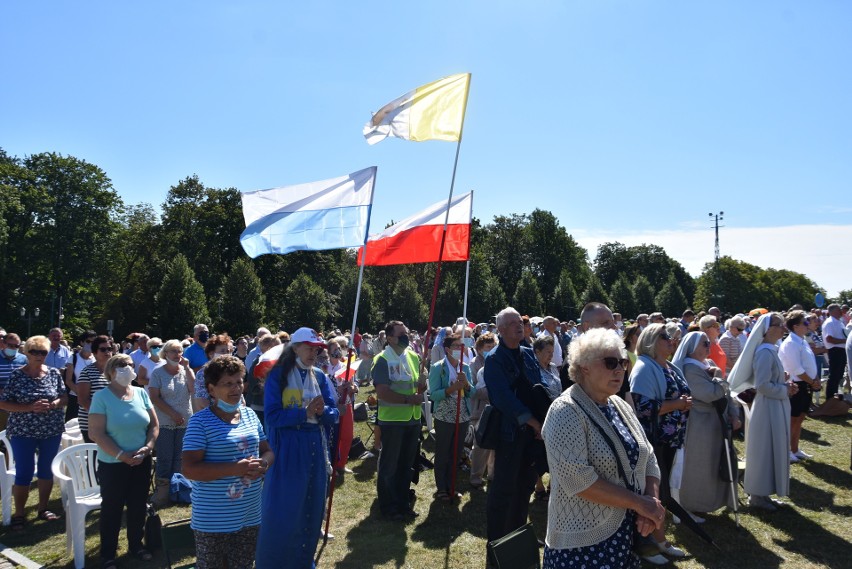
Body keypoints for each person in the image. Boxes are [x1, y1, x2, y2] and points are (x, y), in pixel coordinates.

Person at [541, 328, 665, 569]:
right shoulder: (565, 411)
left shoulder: (619, 404)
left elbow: (648, 456)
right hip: (581, 546)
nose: (619, 369)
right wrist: (639, 504)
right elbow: (577, 480)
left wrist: (650, 501)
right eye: (610, 363)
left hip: (626, 536)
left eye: (622, 362)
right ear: (584, 367)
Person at [255, 327, 338, 569]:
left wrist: (323, 413)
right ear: (295, 347)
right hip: (286, 445)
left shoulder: (320, 377)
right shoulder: (278, 375)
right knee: (284, 506)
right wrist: (304, 413)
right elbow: (272, 417)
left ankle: (303, 561)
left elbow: (333, 413)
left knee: (311, 505)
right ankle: (274, 562)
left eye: (317, 349)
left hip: (314, 443)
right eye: (309, 347)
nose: (314, 353)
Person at [183, 356, 272, 569]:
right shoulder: (200, 422)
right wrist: (236, 468)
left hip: (250, 513)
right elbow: (189, 469)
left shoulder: (250, 414)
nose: (236, 389)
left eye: (239, 382)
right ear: (212, 389)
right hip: (214, 519)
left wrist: (263, 465)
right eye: (228, 383)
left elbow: (267, 451)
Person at [628, 323, 691, 562]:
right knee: (654, 490)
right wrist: (678, 405)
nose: (672, 340)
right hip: (653, 441)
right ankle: (654, 542)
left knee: (661, 490)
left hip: (670, 440)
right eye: (666, 337)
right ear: (652, 341)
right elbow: (642, 408)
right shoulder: (644, 368)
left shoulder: (669, 366)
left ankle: (657, 540)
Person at [88, 354, 159, 567]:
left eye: (130, 365)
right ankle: (108, 554)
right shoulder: (101, 397)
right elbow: (96, 433)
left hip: (141, 461)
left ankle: (136, 545)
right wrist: (121, 455)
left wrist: (147, 448)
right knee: (112, 508)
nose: (127, 368)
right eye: (121, 365)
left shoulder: (140, 393)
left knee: (138, 506)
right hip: (113, 464)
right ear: (110, 371)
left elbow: (153, 426)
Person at [485, 307, 548, 545]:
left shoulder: (529, 353)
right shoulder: (494, 359)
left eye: (520, 321)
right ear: (500, 330)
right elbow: (503, 399)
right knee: (504, 489)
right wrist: (533, 423)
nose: (519, 325)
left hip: (533, 435)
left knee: (525, 487)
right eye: (512, 323)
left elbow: (538, 388)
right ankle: (498, 543)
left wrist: (543, 420)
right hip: (510, 434)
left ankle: (518, 538)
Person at [729, 312, 797, 511]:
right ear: (768, 329)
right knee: (764, 451)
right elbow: (763, 385)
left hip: (774, 406)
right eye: (779, 324)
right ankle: (757, 495)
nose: (783, 328)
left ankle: (764, 494)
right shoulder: (764, 352)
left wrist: (785, 384)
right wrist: (785, 389)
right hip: (768, 408)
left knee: (771, 449)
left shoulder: (770, 350)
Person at [0, 335, 67, 531]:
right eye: (34, 352)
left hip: (50, 429)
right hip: (23, 430)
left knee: (47, 470)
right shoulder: (17, 375)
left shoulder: (54, 373)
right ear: (26, 353)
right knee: (24, 471)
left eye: (43, 352)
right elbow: (3, 403)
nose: (38, 356)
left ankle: (43, 508)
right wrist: (29, 407)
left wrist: (53, 403)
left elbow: (64, 398)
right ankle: (19, 513)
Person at [671, 331, 738, 517]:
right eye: (704, 344)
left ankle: (710, 501)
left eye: (708, 343)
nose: (708, 346)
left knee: (713, 463)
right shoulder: (689, 369)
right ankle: (692, 504)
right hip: (700, 425)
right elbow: (710, 393)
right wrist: (718, 378)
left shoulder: (707, 364)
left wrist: (733, 413)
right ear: (692, 348)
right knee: (699, 465)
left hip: (714, 423)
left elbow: (725, 391)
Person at [372, 320, 425, 521]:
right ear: (390, 337)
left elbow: (418, 385)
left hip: (412, 419)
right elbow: (383, 392)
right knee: (389, 466)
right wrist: (407, 399)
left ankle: (403, 503)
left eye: (407, 332)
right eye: (402, 333)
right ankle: (389, 507)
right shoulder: (383, 359)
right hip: (392, 420)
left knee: (406, 465)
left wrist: (422, 385)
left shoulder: (413, 356)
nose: (407, 336)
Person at [147, 339, 194, 506]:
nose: (177, 354)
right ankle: (162, 493)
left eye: (180, 351)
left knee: (180, 457)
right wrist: (172, 413)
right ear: (165, 353)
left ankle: (179, 489)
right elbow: (154, 397)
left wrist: (188, 368)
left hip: (185, 420)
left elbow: (194, 389)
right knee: (165, 457)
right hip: (165, 420)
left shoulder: (184, 370)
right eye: (174, 351)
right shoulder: (158, 373)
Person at [428, 333, 473, 501]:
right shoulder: (438, 367)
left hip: (462, 417)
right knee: (443, 452)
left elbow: (472, 392)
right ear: (447, 349)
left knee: (456, 452)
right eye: (456, 346)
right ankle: (441, 487)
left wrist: (467, 385)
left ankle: (451, 485)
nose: (460, 349)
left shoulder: (465, 368)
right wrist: (452, 388)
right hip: (444, 416)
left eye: (462, 346)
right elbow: (433, 394)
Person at [778, 310, 819, 462]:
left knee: (800, 418)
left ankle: (795, 449)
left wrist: (815, 379)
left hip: (805, 384)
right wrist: (812, 382)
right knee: (792, 419)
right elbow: (796, 369)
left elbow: (809, 364)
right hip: (796, 385)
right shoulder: (790, 343)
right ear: (796, 326)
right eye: (805, 323)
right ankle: (786, 450)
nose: (808, 325)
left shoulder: (801, 340)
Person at [469, 333, 496, 488]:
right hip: (479, 409)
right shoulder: (474, 364)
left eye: (493, 347)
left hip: (495, 408)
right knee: (480, 445)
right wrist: (492, 392)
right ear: (479, 349)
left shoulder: (496, 362)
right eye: (487, 347)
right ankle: (476, 477)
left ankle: (493, 475)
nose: (491, 350)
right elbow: (472, 389)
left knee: (494, 444)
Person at [77, 335, 115, 443]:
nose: (107, 352)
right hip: (92, 422)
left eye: (109, 349)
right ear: (94, 353)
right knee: (94, 456)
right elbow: (83, 400)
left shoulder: (117, 371)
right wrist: (103, 415)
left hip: (114, 421)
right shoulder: (87, 372)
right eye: (103, 349)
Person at [192, 335, 233, 412]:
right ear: (211, 354)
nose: (227, 354)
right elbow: (202, 401)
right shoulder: (202, 373)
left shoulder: (233, 371)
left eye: (229, 351)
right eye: (223, 351)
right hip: (212, 417)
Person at [821, 304, 848, 398]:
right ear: (833, 311)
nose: (841, 311)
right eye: (838, 309)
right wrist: (845, 341)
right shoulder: (830, 322)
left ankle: (834, 395)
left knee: (839, 374)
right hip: (834, 351)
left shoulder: (839, 322)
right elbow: (829, 339)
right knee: (834, 375)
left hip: (841, 350)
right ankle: (830, 397)